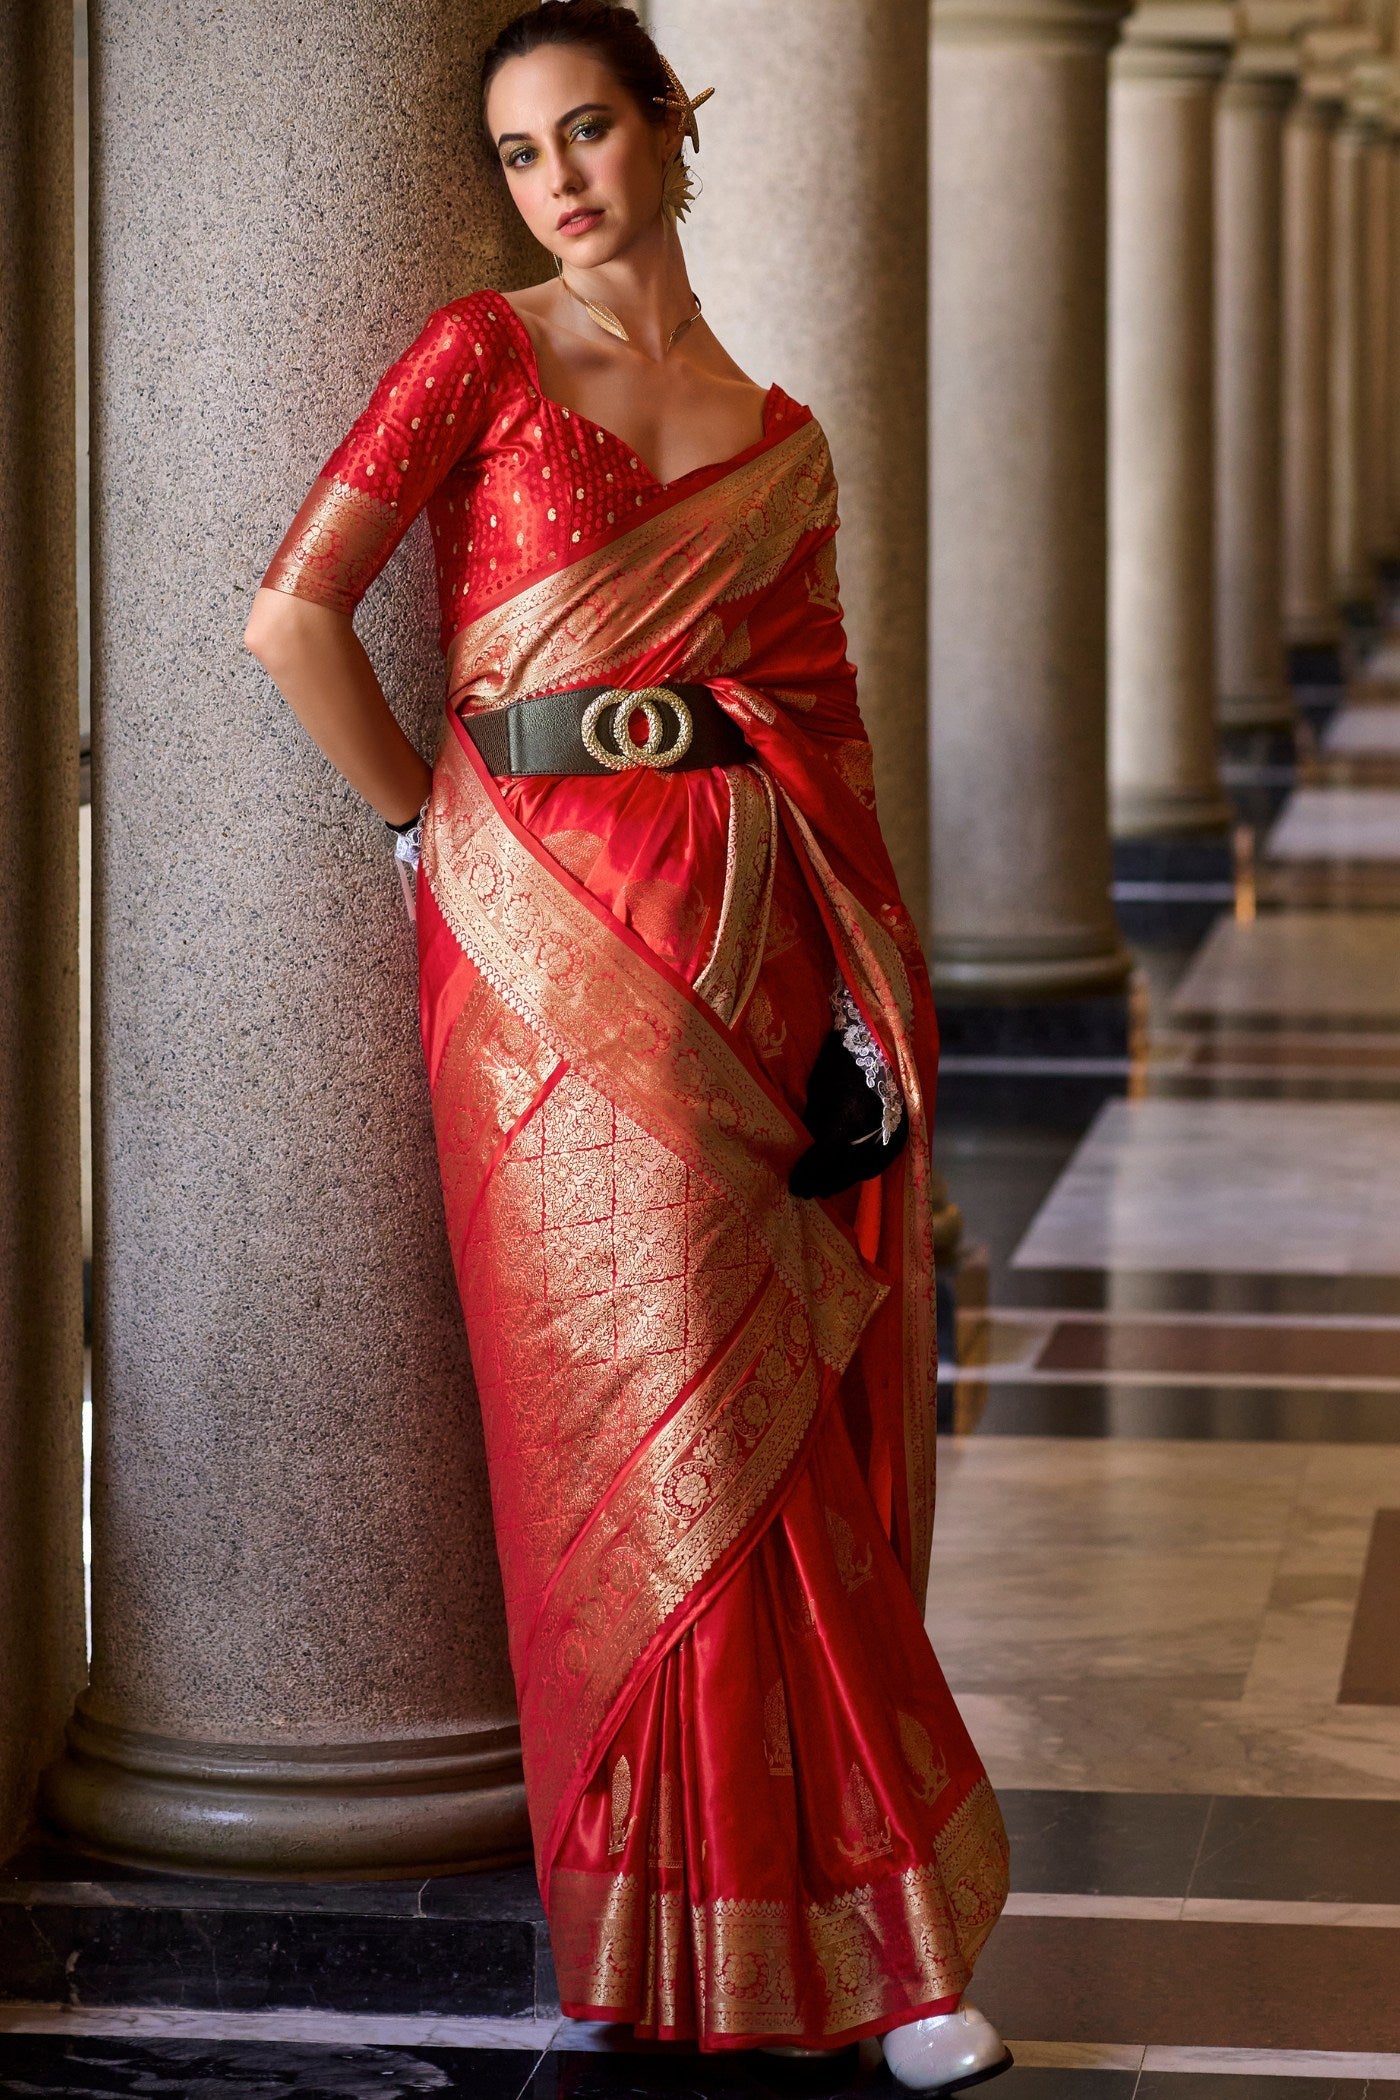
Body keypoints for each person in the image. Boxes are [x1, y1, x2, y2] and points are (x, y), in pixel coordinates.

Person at [243, 2, 1009, 2084]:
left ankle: (891, 1957)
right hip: (536, 954)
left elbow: (826, 732)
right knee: (619, 1461)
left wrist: (863, 1000)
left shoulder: (776, 432)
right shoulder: (476, 354)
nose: (561, 178)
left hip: (753, 943)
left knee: (779, 1447)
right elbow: (292, 614)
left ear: (675, 132)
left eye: (592, 130)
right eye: (520, 152)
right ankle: (637, 1949)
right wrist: (422, 823)